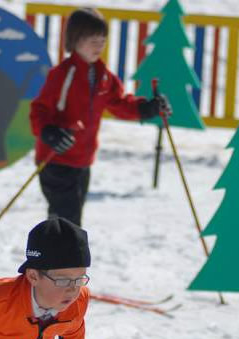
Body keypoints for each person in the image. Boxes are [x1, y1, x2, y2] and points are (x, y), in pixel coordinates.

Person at [30, 7, 172, 226]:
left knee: (72, 219)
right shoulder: (62, 75)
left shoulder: (103, 76)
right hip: (56, 158)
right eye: (91, 39)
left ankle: (63, 256)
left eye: (102, 40)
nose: (99, 45)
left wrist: (147, 108)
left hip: (82, 161)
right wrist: (49, 132)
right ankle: (58, 257)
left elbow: (120, 103)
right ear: (75, 40)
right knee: (66, 219)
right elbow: (39, 110)